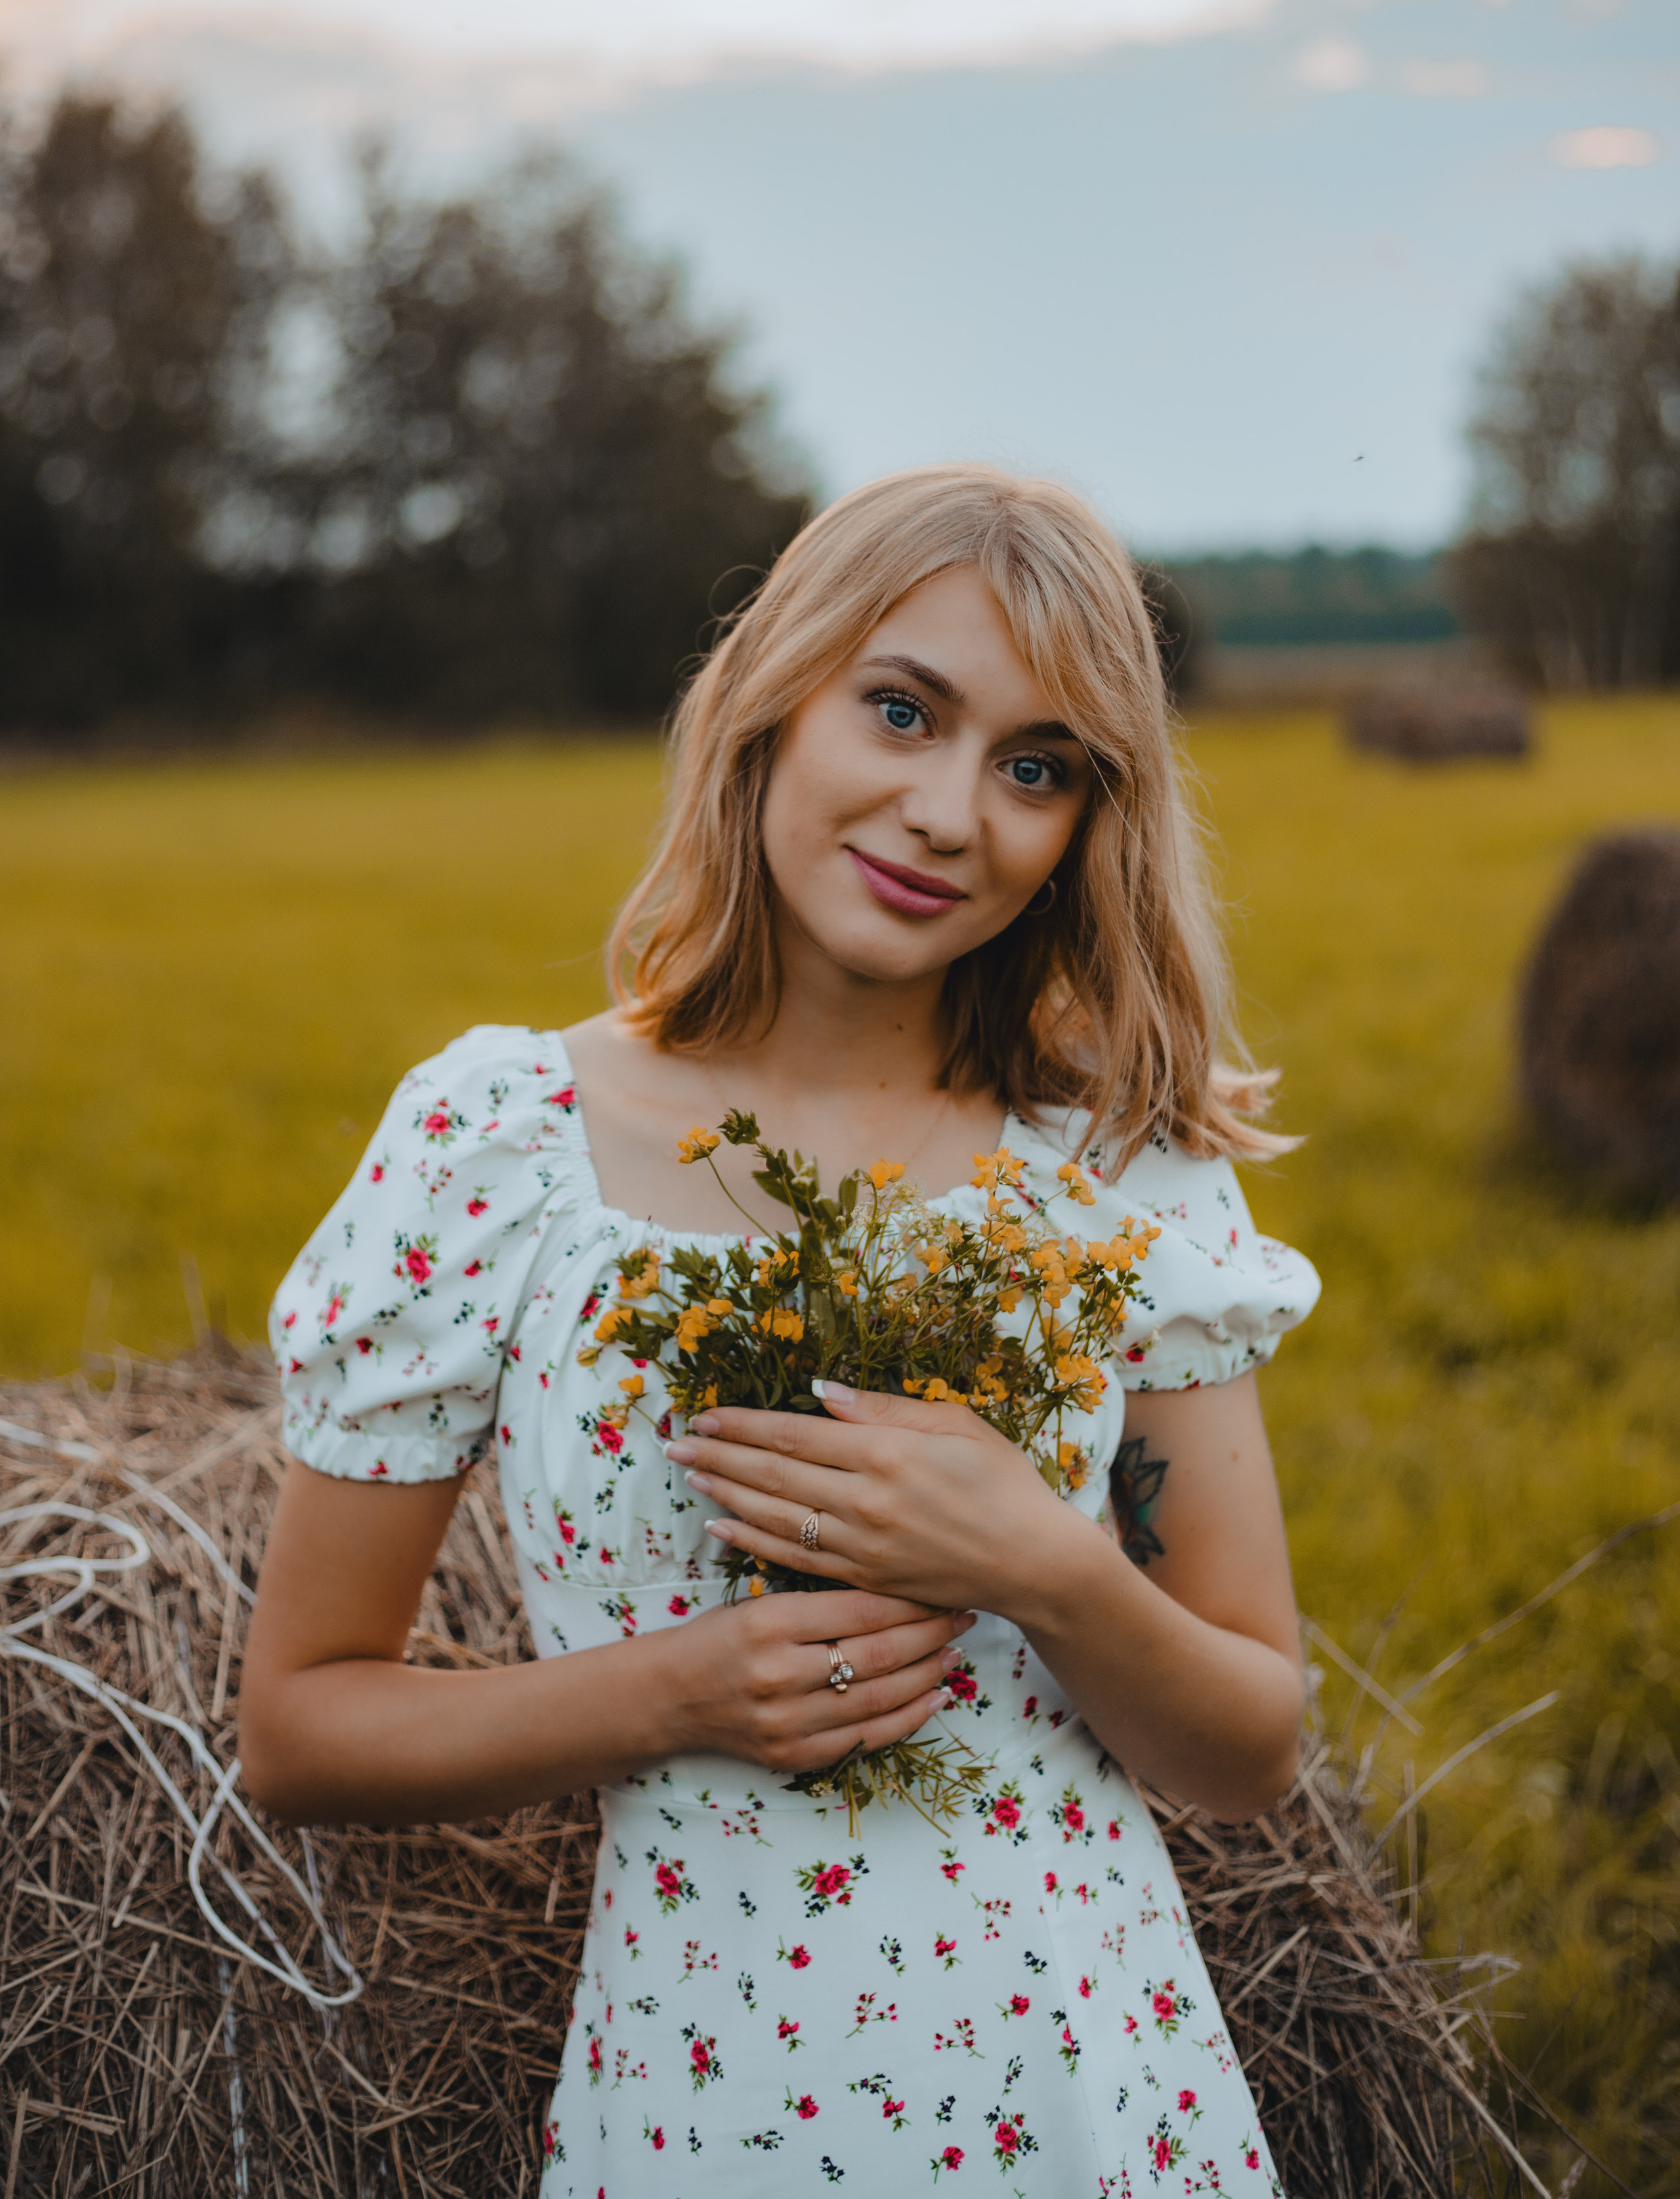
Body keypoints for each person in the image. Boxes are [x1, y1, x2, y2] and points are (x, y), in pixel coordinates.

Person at [242, 464, 1320, 2196]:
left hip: (1095, 2107)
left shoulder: (1128, 1170)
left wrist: (1048, 1565)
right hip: (707, 2108)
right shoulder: (497, 1141)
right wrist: (676, 1691)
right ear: (774, 698)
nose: (952, 812)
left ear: (1082, 827)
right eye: (902, 711)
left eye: (1034, 767)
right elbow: (301, 1727)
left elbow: (1247, 1747)